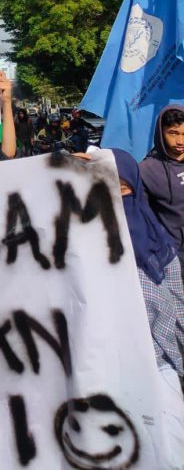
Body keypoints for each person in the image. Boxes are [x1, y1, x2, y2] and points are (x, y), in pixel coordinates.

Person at [112, 149, 184, 461]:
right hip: (109, 367)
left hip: (160, 360)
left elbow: (180, 304)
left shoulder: (160, 245)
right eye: (104, 189)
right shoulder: (75, 250)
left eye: (123, 188)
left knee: (171, 449)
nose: (115, 197)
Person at [140, 105, 184, 264]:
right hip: (172, 255)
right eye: (173, 133)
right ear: (161, 132)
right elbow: (141, 215)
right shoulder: (147, 169)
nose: (180, 141)